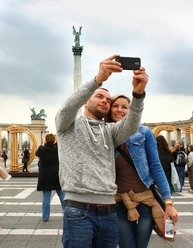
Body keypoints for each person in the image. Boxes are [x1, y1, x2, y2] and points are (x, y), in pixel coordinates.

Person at [55, 54, 148, 248]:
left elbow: (131, 125)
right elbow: (66, 107)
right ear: (85, 102)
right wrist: (98, 79)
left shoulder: (110, 131)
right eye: (99, 96)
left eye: (108, 99)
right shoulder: (68, 124)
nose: (105, 101)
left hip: (109, 213)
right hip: (78, 211)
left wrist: (138, 94)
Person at [106, 94, 178, 248]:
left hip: (145, 202)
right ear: (110, 109)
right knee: (127, 245)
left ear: (131, 110)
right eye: (116, 106)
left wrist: (168, 201)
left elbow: (156, 167)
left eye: (124, 107)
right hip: (119, 202)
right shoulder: (105, 134)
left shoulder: (144, 132)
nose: (119, 110)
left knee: (141, 246)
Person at [35, 133, 65, 221]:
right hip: (56, 173)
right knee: (61, 194)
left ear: (45, 140)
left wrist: (43, 143)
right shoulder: (57, 149)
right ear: (54, 140)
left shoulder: (42, 149)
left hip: (45, 174)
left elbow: (37, 154)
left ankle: (45, 216)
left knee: (46, 195)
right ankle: (67, 212)